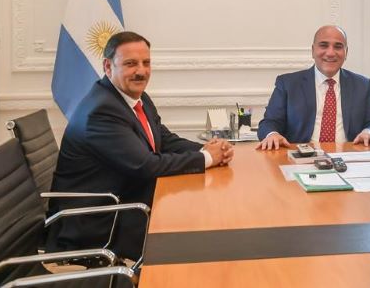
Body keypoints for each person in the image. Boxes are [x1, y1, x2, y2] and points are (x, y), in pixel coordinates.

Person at [47, 31, 233, 260]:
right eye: (131, 64)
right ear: (108, 66)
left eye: (146, 63)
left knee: (200, 217)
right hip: (98, 221)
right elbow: (146, 165)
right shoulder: (101, 111)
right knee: (193, 232)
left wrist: (208, 149)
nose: (141, 71)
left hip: (127, 199)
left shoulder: (135, 97)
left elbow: (164, 139)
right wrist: (208, 158)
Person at [257, 25, 370, 149]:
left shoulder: (363, 85)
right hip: (302, 156)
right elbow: (269, 123)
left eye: (338, 46)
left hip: (348, 156)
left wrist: (369, 131)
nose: (330, 53)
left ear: (346, 52)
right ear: (313, 51)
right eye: (324, 45)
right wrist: (272, 134)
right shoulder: (287, 84)